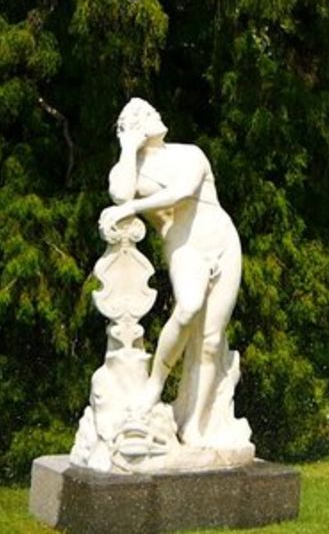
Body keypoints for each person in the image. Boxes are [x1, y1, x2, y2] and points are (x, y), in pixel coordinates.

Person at [98, 98, 249, 449]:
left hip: (223, 238)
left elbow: (181, 191)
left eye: (154, 110)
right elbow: (119, 193)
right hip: (184, 244)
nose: (157, 115)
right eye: (148, 114)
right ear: (132, 126)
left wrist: (135, 206)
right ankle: (154, 387)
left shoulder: (189, 153)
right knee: (188, 307)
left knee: (211, 341)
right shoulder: (132, 167)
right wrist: (128, 147)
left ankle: (194, 425)